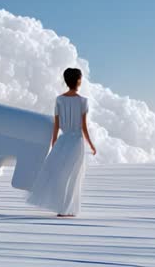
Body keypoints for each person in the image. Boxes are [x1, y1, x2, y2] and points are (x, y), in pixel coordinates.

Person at [26, 67, 97, 217]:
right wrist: (91, 144)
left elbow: (56, 125)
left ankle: (62, 208)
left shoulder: (59, 100)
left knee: (60, 175)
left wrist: (54, 142)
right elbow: (83, 127)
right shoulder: (83, 101)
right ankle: (67, 209)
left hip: (63, 140)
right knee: (74, 176)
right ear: (78, 80)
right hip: (76, 141)